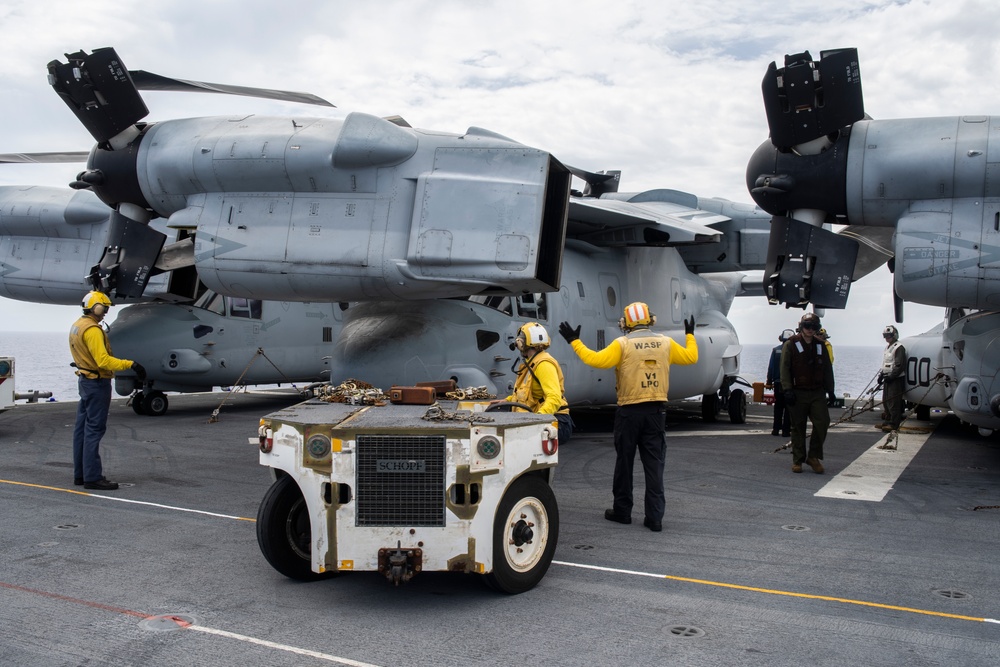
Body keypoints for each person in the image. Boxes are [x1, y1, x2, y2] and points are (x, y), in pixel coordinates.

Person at [559, 302, 697, 532]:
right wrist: (690, 335)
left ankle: (622, 511)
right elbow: (691, 357)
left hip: (629, 413)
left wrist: (574, 341)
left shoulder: (622, 344)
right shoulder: (665, 343)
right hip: (656, 413)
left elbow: (595, 360)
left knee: (625, 463)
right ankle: (655, 518)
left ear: (625, 323)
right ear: (650, 320)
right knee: (654, 466)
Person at [69, 291, 146, 490]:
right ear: (96, 307)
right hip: (96, 383)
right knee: (94, 429)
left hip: (85, 381)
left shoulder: (78, 325)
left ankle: (81, 474)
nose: (105, 312)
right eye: (104, 308)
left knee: (81, 430)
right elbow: (103, 360)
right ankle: (93, 477)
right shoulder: (93, 330)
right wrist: (132, 364)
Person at [497, 322, 573, 443]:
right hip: (542, 417)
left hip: (556, 421)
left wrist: (538, 419)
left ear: (522, 344)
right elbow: (526, 393)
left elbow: (554, 397)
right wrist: (509, 400)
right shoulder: (532, 363)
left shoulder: (544, 365)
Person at [780, 311, 835, 474]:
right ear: (801, 327)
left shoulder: (820, 345)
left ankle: (813, 456)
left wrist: (831, 390)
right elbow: (785, 368)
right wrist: (787, 389)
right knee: (798, 427)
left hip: (817, 392)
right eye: (807, 326)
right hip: (798, 392)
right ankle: (798, 460)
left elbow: (827, 369)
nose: (810, 329)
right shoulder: (790, 344)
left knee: (822, 423)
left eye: (814, 327)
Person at [765, 329, 794, 437]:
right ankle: (786, 430)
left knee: (778, 406)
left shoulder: (776, 350)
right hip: (790, 384)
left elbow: (771, 367)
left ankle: (775, 429)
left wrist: (769, 381)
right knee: (789, 407)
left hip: (777, 383)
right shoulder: (794, 351)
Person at [879, 325, 906, 431]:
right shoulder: (888, 347)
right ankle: (888, 420)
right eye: (885, 336)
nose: (887, 338)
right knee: (885, 400)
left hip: (895, 379)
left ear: (894, 335)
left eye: (889, 336)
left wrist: (892, 377)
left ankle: (894, 424)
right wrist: (881, 375)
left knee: (893, 402)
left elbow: (899, 366)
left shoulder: (899, 348)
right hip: (887, 378)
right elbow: (886, 363)